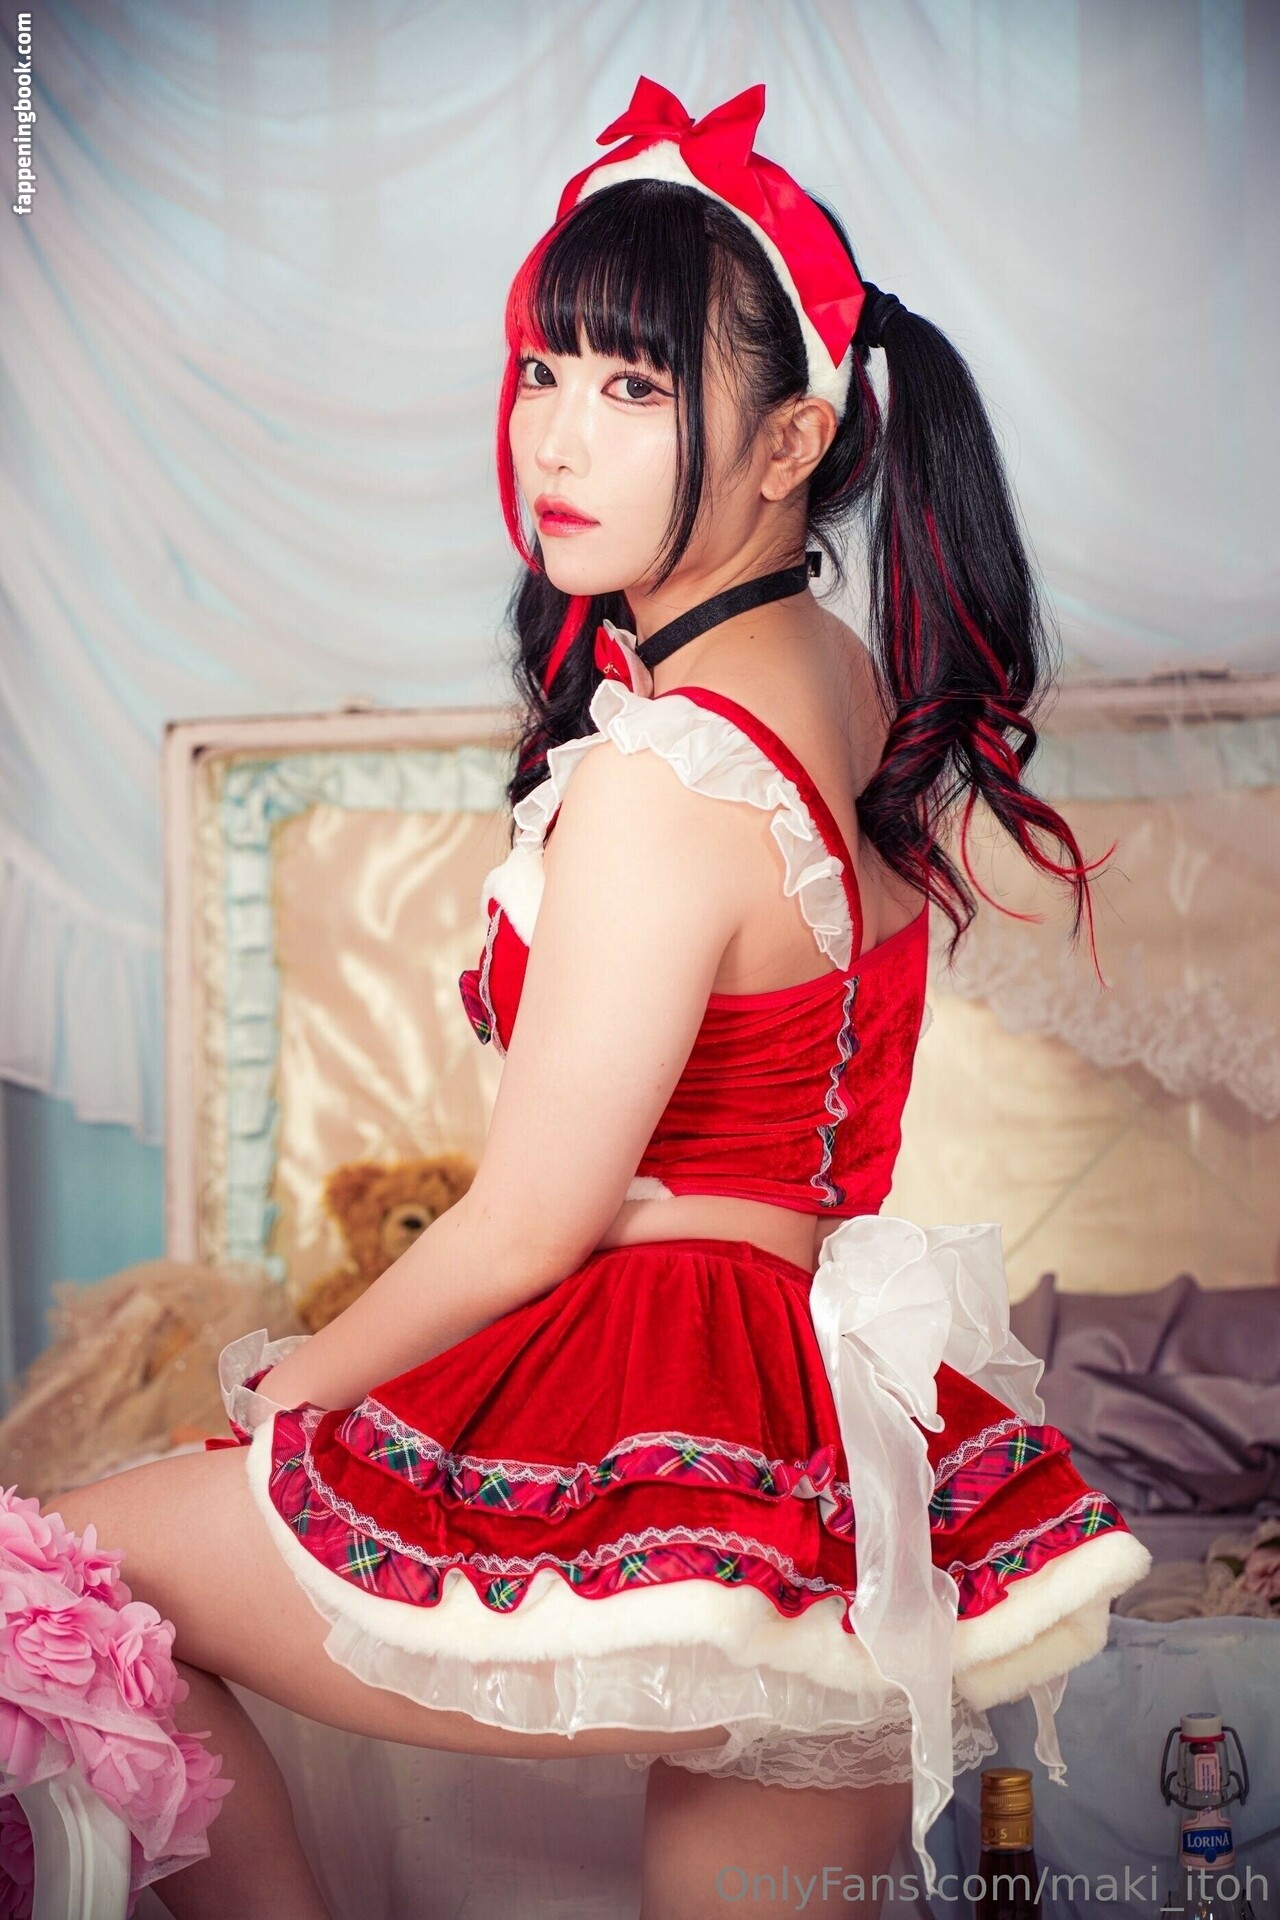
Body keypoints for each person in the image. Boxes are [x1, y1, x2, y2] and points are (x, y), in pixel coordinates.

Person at [25, 75, 1152, 1920]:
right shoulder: (836, 668)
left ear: (791, 444)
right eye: (545, 369)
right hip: (827, 1430)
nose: (554, 435)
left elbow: (530, 1224)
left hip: (653, 1389)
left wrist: (284, 1400)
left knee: (45, 1582)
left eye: (635, 389)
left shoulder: (669, 771)